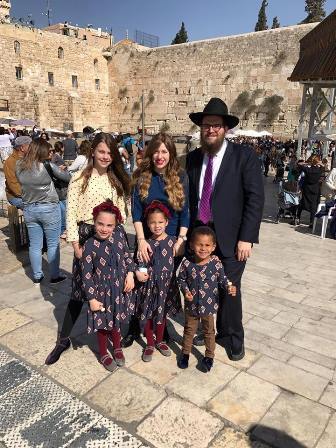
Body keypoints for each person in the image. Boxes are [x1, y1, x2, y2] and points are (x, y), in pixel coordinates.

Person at [186, 97, 264, 361]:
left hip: (232, 239)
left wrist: (247, 238)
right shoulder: (194, 158)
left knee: (229, 288)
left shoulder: (244, 157)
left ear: (225, 128)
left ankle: (231, 336)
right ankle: (207, 329)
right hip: (199, 238)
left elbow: (256, 198)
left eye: (216, 125)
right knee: (202, 286)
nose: (211, 130)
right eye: (206, 125)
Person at [45, 132, 130, 365]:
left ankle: (117, 336)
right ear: (93, 151)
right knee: (79, 293)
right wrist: (76, 245)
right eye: (101, 151)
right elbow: (71, 214)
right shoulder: (79, 179)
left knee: (113, 289)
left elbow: (121, 216)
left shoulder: (116, 180)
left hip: (111, 238)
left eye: (110, 153)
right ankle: (63, 339)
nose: (105, 156)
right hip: (86, 239)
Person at [122, 132, 189, 348]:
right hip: (147, 240)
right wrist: (140, 240)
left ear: (171, 154)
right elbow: (137, 211)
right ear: (150, 154)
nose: (160, 156)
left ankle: (161, 328)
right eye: (156, 151)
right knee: (142, 283)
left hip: (171, 243)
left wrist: (181, 239)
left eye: (164, 151)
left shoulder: (180, 176)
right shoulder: (143, 176)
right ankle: (134, 327)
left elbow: (185, 211)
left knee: (165, 285)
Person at [82, 201, 135, 371]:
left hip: (118, 290)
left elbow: (127, 256)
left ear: (116, 225)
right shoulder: (89, 245)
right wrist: (91, 298)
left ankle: (117, 347)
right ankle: (104, 352)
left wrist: (130, 273)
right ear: (94, 222)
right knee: (103, 324)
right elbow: (87, 274)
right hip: (100, 293)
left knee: (116, 320)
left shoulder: (119, 237)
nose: (104, 229)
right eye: (100, 224)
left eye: (109, 225)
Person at [177, 226, 236, 372]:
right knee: (189, 330)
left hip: (209, 308)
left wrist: (229, 287)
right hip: (191, 306)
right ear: (191, 245)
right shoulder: (187, 263)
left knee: (209, 332)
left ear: (213, 247)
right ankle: (185, 354)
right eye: (199, 244)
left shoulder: (215, 263)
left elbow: (223, 280)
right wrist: (186, 291)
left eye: (207, 245)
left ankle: (209, 357)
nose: (203, 248)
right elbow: (181, 279)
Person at [16, 138, 70, 284]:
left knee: (35, 245)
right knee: (53, 243)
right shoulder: (47, 165)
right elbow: (67, 177)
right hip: (48, 208)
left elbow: (20, 182)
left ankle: (37, 276)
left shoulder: (19, 165)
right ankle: (54, 275)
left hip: (29, 208)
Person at [135, 201, 181, 362]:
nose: (157, 225)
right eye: (153, 222)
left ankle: (160, 341)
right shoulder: (146, 244)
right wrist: (139, 272)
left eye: (160, 222)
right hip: (150, 286)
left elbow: (189, 257)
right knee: (148, 315)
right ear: (147, 224)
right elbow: (140, 262)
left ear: (167, 222)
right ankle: (149, 343)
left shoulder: (173, 242)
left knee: (162, 315)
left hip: (167, 286)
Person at [3, 136, 31, 209]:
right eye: (30, 146)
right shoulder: (10, 162)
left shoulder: (28, 159)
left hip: (30, 194)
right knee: (35, 208)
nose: (32, 149)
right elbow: (13, 185)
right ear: (22, 148)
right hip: (17, 197)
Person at [297, 155, 324, 227]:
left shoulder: (307, 169)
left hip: (307, 188)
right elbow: (323, 165)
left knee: (302, 203)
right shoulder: (320, 170)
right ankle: (311, 222)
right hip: (315, 189)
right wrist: (318, 163)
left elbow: (299, 164)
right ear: (317, 162)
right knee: (313, 206)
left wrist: (308, 163)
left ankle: (297, 218)